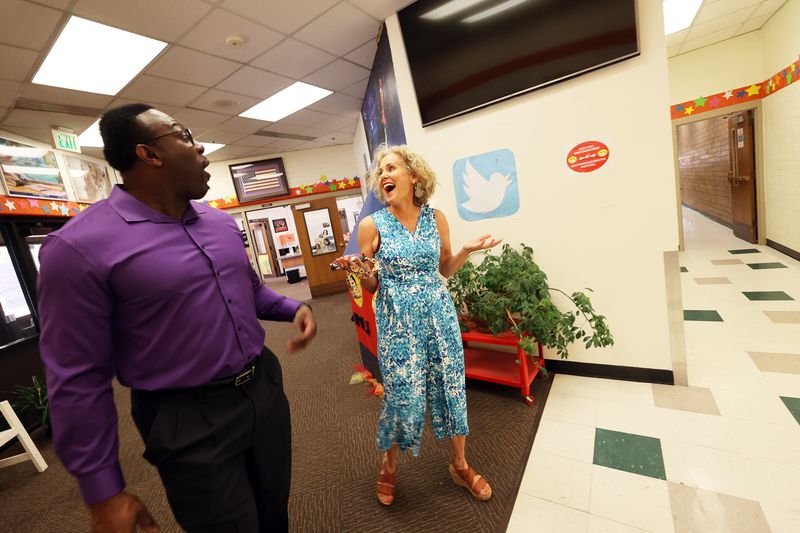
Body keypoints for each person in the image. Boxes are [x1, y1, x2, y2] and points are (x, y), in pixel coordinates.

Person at [37, 103, 317, 533]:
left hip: (263, 390)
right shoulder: (76, 249)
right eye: (184, 135)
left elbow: (249, 290)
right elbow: (77, 376)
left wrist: (293, 308)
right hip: (186, 418)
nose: (199, 145)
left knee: (274, 513)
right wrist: (103, 494)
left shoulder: (221, 224)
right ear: (149, 154)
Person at [332, 145, 501, 506]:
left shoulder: (436, 218)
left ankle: (459, 464)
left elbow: (444, 269)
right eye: (380, 172)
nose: (384, 176)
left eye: (391, 168)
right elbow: (372, 285)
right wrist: (362, 272)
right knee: (402, 396)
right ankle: (389, 466)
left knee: (452, 388)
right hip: (397, 322)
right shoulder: (371, 225)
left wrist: (467, 251)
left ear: (414, 175)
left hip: (440, 317)